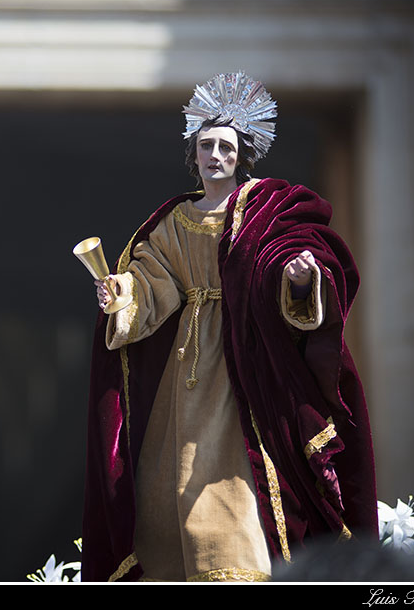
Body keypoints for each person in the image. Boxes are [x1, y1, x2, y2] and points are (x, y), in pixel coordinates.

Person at [81, 72, 377, 582]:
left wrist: (298, 279)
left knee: (237, 481)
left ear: (242, 155)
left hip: (245, 360)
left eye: (225, 147)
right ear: (193, 153)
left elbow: (285, 256)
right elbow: (154, 279)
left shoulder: (267, 207)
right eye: (206, 145)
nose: (215, 155)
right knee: (172, 480)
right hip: (185, 372)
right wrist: (122, 295)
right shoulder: (176, 220)